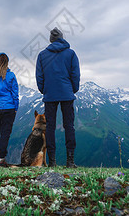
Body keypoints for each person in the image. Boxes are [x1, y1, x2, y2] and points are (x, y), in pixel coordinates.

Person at [36, 27, 80, 168]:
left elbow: (39, 76)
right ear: (62, 38)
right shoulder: (71, 54)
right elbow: (75, 74)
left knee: (50, 127)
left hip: (50, 95)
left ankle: (52, 162)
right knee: (69, 126)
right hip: (67, 93)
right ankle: (70, 161)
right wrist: (72, 89)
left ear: (51, 40)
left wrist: (44, 90)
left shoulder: (42, 55)